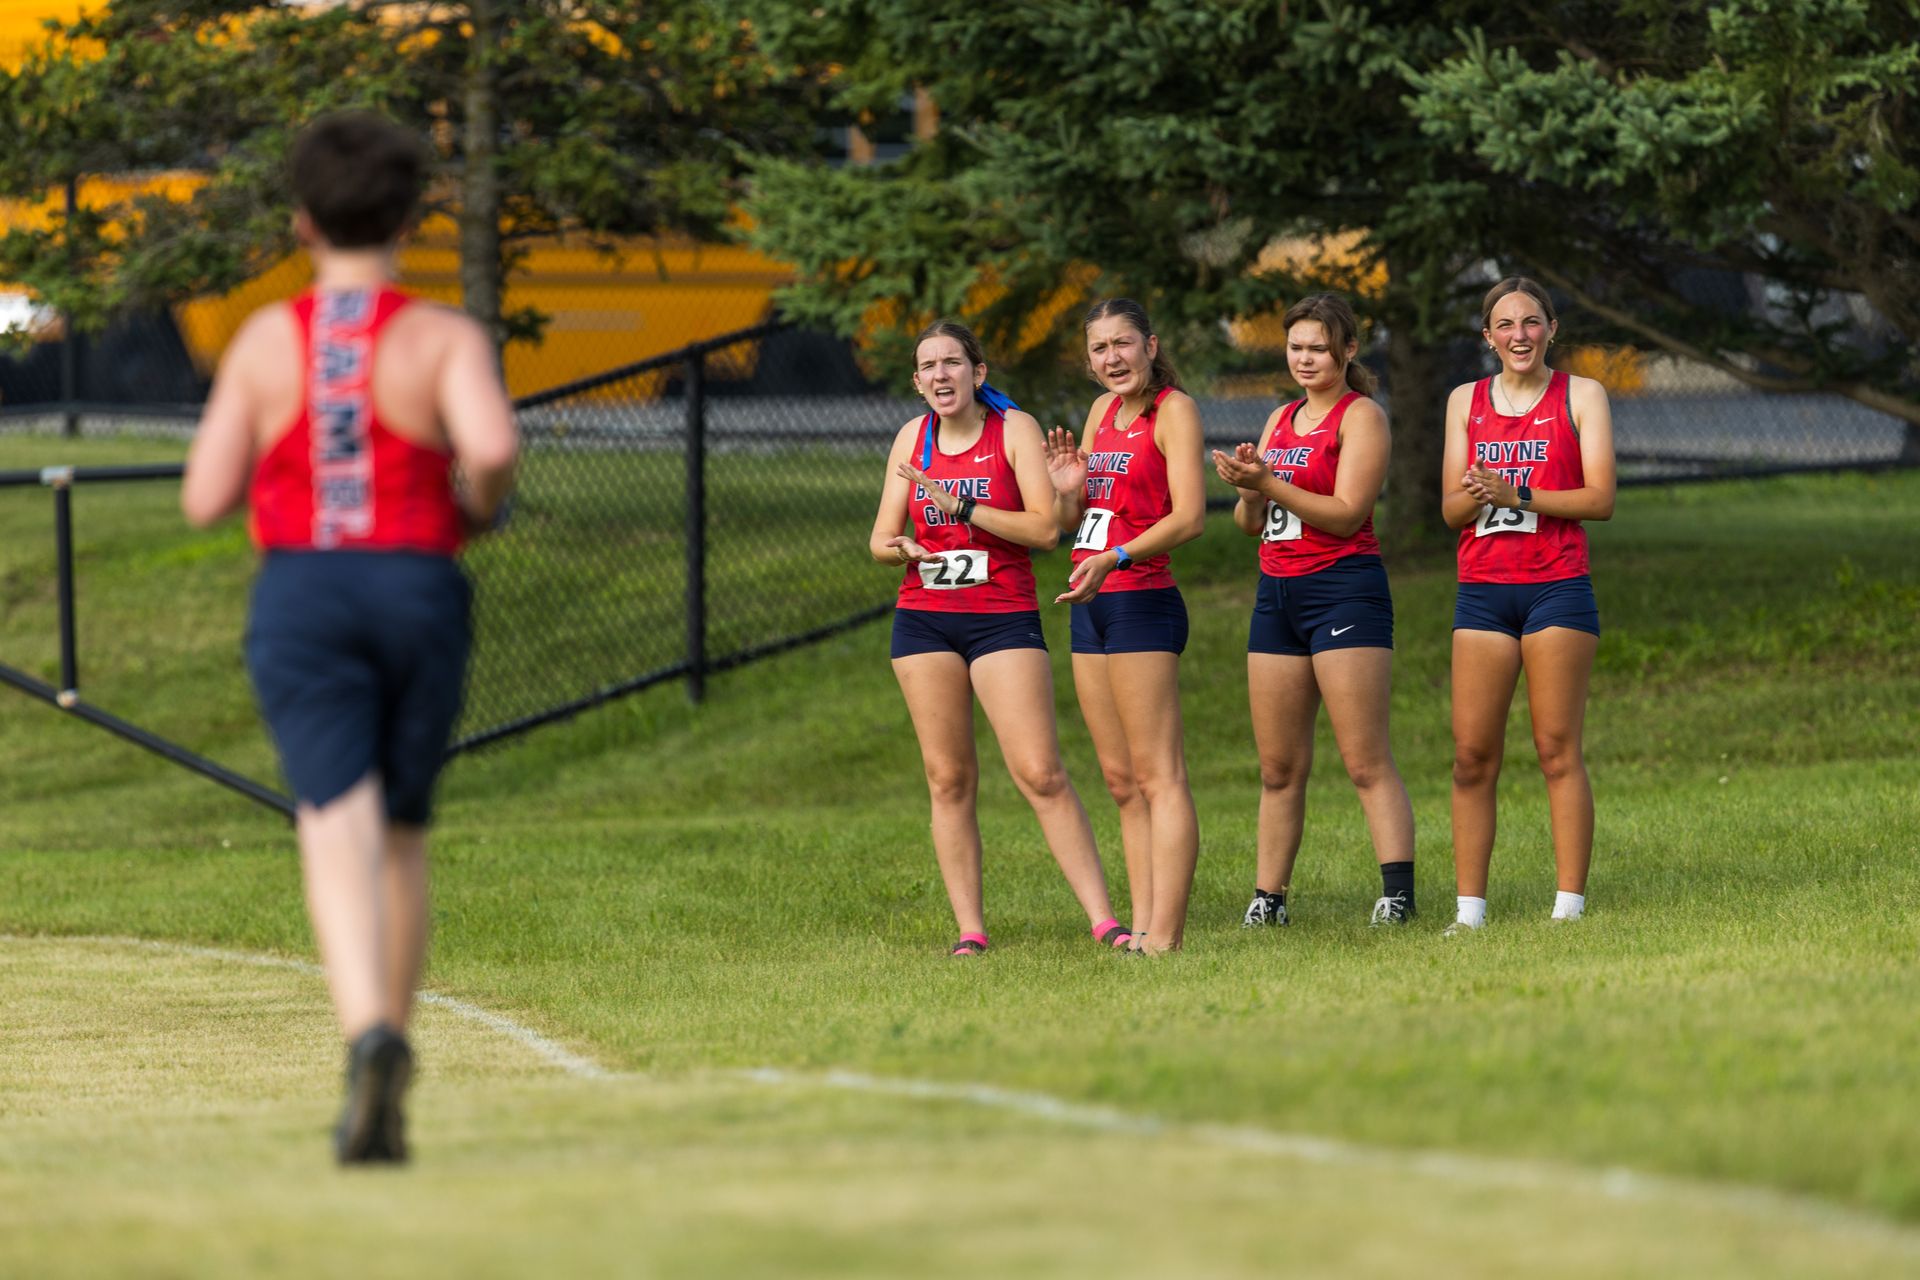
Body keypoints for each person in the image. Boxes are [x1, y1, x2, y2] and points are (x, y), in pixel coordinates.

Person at [180, 110, 518, 1163]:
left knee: (334, 817)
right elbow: (494, 445)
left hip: (305, 595)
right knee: (403, 829)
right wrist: (475, 506)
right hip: (419, 582)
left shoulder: (268, 339)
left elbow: (203, 498)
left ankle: (367, 1032)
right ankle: (396, 1045)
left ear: (302, 220)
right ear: (412, 216)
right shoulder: (442, 336)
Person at [871, 319, 1131, 958]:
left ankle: (1105, 922)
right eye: (928, 366)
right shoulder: (913, 437)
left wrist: (960, 508)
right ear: (917, 381)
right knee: (948, 777)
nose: (940, 375)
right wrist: (900, 548)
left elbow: (1045, 531)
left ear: (977, 372)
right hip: (924, 617)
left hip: (1000, 617)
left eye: (952, 363)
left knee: (1040, 771)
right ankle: (970, 931)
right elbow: (879, 538)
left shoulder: (1013, 430)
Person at [1211, 294, 1417, 927]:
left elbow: (1347, 513)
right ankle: (1269, 899)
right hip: (1277, 594)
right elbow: (1254, 524)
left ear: (1347, 351)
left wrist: (1268, 483)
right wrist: (1248, 486)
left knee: (1363, 758)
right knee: (1278, 766)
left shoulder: (1363, 418)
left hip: (1343, 588)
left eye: (1318, 348)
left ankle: (1398, 894)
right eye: (1296, 346)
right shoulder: (1279, 420)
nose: (1305, 358)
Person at [1440, 276, 1615, 933]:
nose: (1520, 335)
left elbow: (1599, 498)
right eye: (1506, 325)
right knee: (1471, 756)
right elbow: (1451, 509)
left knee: (1556, 747)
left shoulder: (1582, 395)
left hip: (1556, 586)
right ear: (1488, 336)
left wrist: (1516, 492)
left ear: (1551, 330)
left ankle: (1568, 906)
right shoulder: (1466, 400)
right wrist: (1479, 494)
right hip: (1483, 593)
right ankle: (1469, 912)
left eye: (1532, 322)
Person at [1046, 299, 1205, 954]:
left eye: (1123, 344)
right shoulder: (1101, 414)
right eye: (1099, 348)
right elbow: (1084, 513)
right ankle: (1139, 928)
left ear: (1150, 344)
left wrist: (1117, 557)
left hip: (1141, 596)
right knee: (1119, 780)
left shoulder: (1174, 411)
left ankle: (1164, 934)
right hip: (1092, 601)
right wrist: (1067, 489)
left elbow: (1190, 517)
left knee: (1158, 774)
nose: (1112, 358)